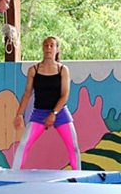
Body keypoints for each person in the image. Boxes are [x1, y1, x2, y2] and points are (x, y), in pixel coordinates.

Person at [12, 36, 80, 170]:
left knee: (74, 146)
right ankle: (12, 175)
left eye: (52, 45)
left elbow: (65, 94)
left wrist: (54, 113)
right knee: (23, 144)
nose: (48, 48)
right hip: (39, 113)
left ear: (57, 49)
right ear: (43, 48)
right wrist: (19, 114)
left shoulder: (63, 69)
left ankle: (79, 176)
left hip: (60, 112)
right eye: (46, 45)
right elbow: (27, 93)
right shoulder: (34, 70)